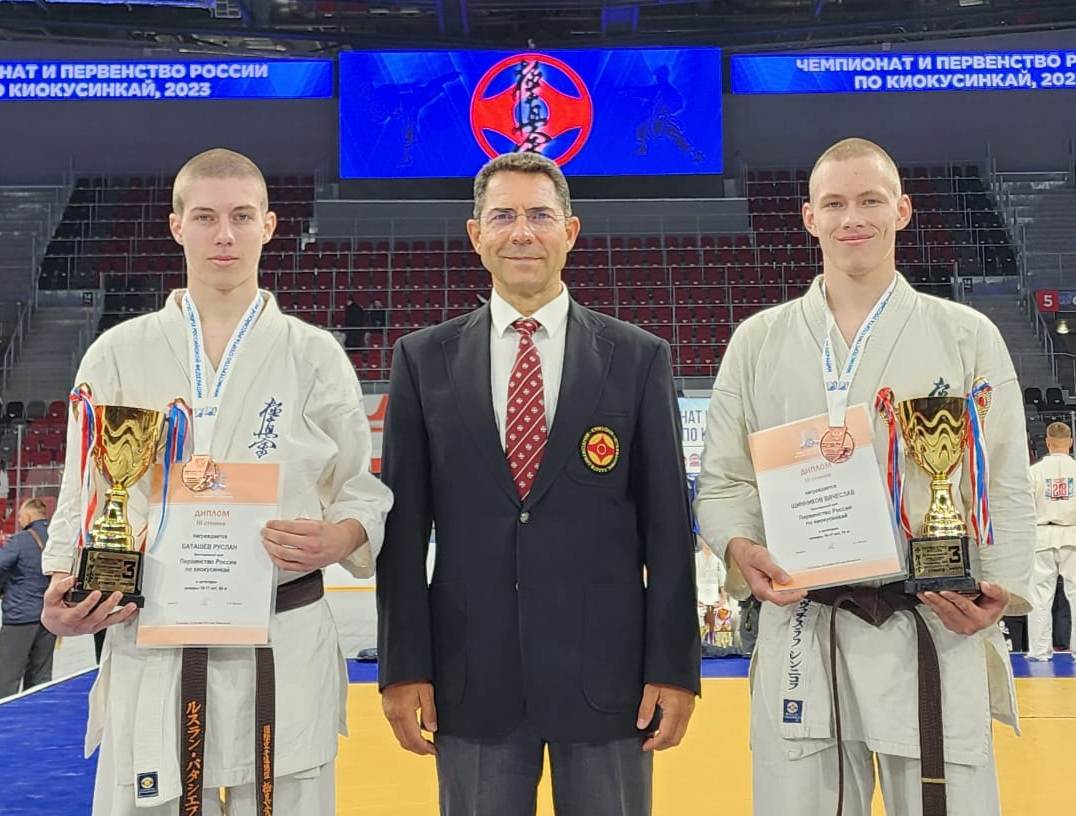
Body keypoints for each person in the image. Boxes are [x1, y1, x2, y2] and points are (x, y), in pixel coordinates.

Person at [40, 148, 393, 816]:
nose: (223, 234)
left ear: (269, 225)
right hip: (154, 639)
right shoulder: (118, 351)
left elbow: (359, 488)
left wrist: (340, 536)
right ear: (176, 226)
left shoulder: (314, 355)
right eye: (204, 217)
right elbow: (83, 492)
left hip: (281, 636)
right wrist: (62, 588)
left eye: (241, 216)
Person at [694, 137, 1034, 816]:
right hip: (804, 620)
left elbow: (1003, 477)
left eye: (871, 200)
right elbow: (725, 480)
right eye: (835, 203)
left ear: (902, 210)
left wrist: (998, 589)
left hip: (934, 616)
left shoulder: (966, 334)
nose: (853, 218)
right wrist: (739, 545)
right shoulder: (757, 341)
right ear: (809, 217)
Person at [376, 151, 700, 816]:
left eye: (540, 216)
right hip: (471, 679)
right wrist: (402, 666)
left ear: (570, 231)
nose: (521, 232)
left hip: (609, 681)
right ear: (476, 235)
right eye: (503, 216)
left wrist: (674, 668)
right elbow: (402, 534)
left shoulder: (639, 358)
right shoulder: (422, 359)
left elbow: (669, 528)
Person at [1027, 421, 1076, 661]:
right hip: (1072, 534)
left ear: (1047, 442)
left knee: (1039, 596)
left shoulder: (1034, 472)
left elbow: (1025, 508)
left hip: (1042, 535)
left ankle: (1039, 651)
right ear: (1071, 442)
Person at [0, 498, 55, 696]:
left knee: (7, 676)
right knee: (40, 676)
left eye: (21, 516)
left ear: (29, 516)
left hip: (20, 616)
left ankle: (5, 713)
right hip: (49, 617)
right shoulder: (56, 539)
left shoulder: (20, 541)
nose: (19, 520)